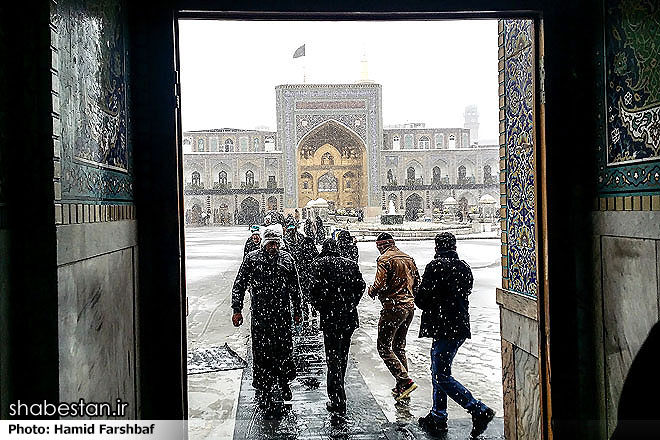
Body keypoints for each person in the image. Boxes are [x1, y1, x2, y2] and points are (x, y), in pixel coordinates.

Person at [416, 232, 495, 437]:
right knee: (438, 371)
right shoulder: (464, 267)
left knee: (441, 375)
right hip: (458, 326)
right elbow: (463, 293)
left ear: (437, 247)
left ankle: (478, 409)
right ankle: (438, 416)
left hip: (442, 327)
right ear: (454, 247)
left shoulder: (435, 267)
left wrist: (417, 288)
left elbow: (422, 300)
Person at [231, 226, 303, 413]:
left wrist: (298, 310)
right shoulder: (252, 259)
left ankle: (284, 382)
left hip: (281, 315)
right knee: (262, 353)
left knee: (283, 350)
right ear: (264, 244)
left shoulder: (287, 259)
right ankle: (264, 388)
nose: (274, 247)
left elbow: (295, 287)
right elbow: (239, 284)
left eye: (276, 244)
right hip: (261, 315)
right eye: (271, 244)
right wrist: (237, 309)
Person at [309, 238, 365, 414]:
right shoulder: (350, 264)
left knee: (332, 356)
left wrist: (322, 307)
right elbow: (361, 286)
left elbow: (312, 290)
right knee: (343, 355)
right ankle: (339, 388)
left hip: (330, 318)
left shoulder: (318, 264)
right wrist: (351, 303)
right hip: (348, 317)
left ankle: (337, 397)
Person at [367, 232, 420, 401]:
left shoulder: (385, 259)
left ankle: (404, 380)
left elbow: (380, 283)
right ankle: (402, 387)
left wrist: (371, 291)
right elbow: (417, 283)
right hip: (409, 307)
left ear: (381, 246)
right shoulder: (408, 258)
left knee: (383, 346)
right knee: (399, 347)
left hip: (393, 307)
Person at [284, 220, 319, 322]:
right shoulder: (286, 241)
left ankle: (309, 310)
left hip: (304, 271)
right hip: (299, 271)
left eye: (293, 229)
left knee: (306, 293)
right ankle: (305, 311)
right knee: (302, 293)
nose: (291, 231)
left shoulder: (302, 239)